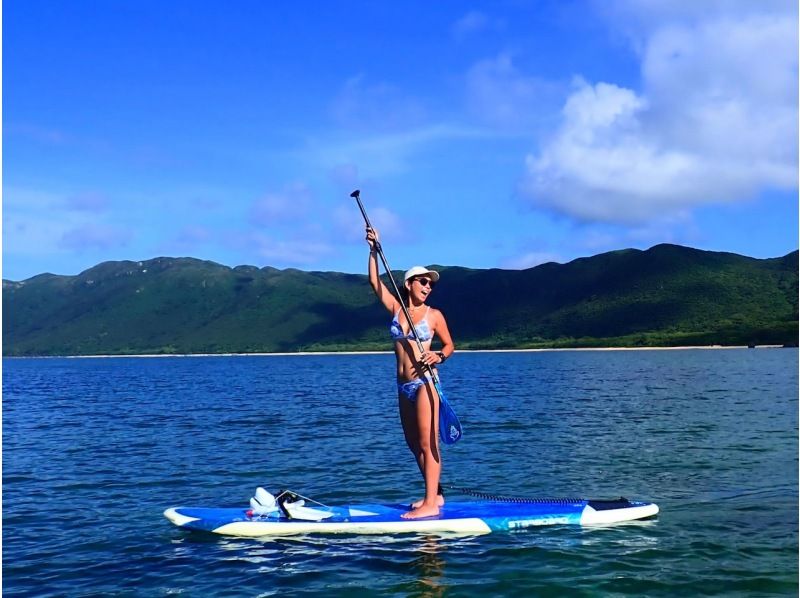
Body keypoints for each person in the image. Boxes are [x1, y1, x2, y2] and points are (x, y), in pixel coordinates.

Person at [366, 227, 455, 519]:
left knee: (429, 442)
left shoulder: (434, 315)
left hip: (425, 382)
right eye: (423, 281)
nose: (427, 286)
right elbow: (374, 283)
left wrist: (438, 355)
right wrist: (373, 250)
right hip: (402, 385)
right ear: (408, 283)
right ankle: (437, 494)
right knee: (413, 443)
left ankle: (430, 504)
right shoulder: (397, 309)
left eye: (430, 284)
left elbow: (451, 345)